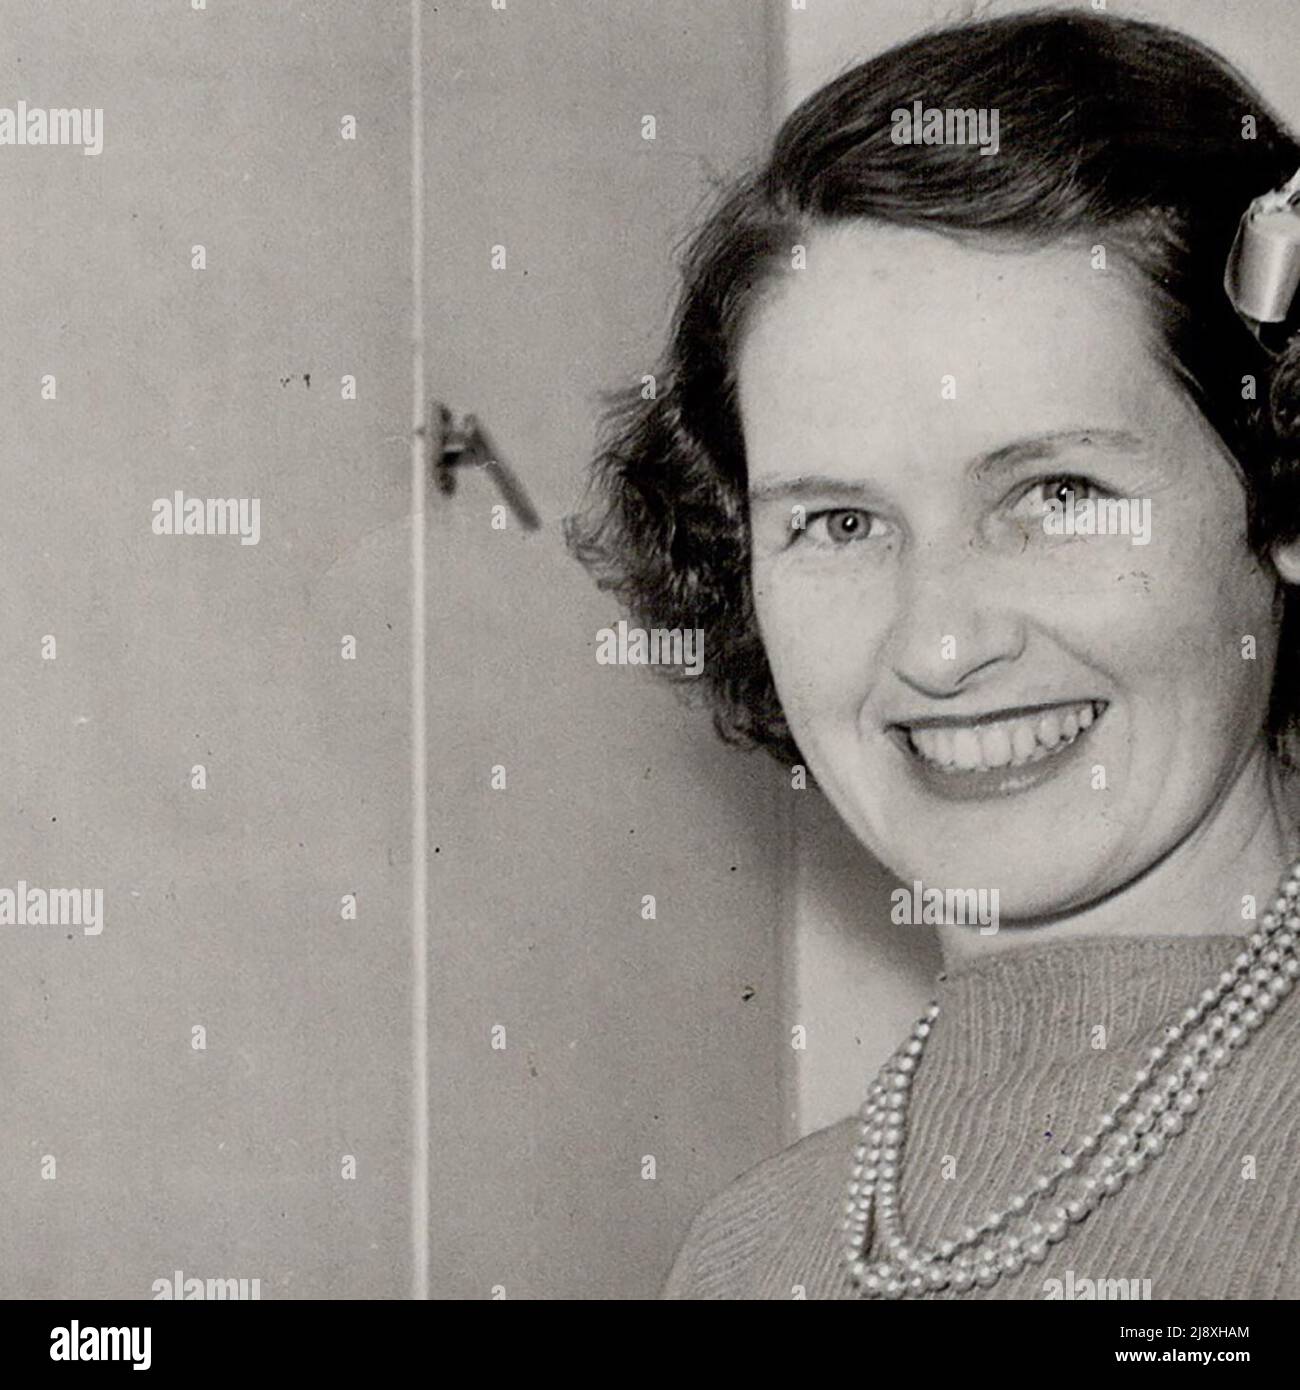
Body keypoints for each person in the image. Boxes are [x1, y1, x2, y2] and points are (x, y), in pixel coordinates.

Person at [567, 8, 1300, 1299]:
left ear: (1285, 500)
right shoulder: (753, 1251)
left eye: (1057, 493)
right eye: (839, 522)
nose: (942, 640)